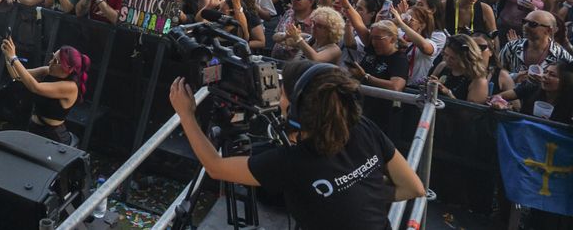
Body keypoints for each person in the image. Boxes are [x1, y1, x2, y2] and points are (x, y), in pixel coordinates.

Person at [168, 62, 424, 230]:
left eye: (282, 93)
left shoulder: (291, 162)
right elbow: (413, 187)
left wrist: (186, 115)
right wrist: (362, 192)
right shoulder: (363, 127)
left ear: (297, 109)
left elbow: (215, 167)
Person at [0, 38, 89, 145]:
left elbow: (35, 87)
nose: (50, 62)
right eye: (52, 57)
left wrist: (14, 58)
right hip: (34, 128)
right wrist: (7, 55)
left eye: (56, 61)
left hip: (52, 137)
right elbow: (17, 75)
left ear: (69, 69)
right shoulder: (48, 71)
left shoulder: (70, 87)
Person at [498, 10, 573, 80]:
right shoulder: (511, 47)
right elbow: (496, 72)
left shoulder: (561, 55)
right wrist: (515, 76)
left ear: (549, 30)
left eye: (533, 24)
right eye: (524, 22)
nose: (525, 26)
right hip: (511, 90)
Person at [428, 34, 489, 103]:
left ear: (465, 59)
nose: (447, 60)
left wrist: (448, 94)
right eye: (446, 55)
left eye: (452, 58)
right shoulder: (443, 66)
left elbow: (470, 112)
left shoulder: (478, 80)